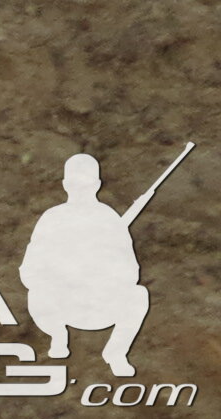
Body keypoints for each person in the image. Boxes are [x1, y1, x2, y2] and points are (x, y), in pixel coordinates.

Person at [21, 151, 156, 377]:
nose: (81, 189)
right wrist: (63, 273)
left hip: (102, 305)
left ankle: (116, 353)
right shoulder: (52, 219)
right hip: (61, 305)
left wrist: (100, 270)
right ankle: (57, 336)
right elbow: (29, 271)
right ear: (66, 184)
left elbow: (131, 274)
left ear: (96, 185)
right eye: (77, 184)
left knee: (138, 295)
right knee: (36, 293)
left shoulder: (110, 220)